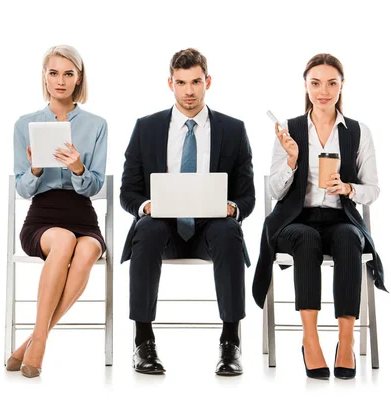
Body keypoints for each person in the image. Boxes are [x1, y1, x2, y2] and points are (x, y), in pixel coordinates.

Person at [120, 48, 255, 376]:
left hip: (211, 229)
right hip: (163, 228)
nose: (190, 91)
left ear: (207, 81)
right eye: (181, 83)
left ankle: (230, 341)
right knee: (146, 227)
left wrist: (232, 207)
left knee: (229, 229)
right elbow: (128, 191)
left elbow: (247, 195)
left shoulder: (233, 130)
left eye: (196, 82)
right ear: (171, 83)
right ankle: (143, 340)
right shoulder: (147, 128)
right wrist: (145, 206)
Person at [252, 53, 386, 380]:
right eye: (315, 83)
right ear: (305, 86)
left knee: (349, 238)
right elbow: (274, 191)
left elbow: (373, 189)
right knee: (307, 238)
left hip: (341, 217)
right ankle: (309, 338)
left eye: (331, 83)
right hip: (295, 220)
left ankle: (345, 339)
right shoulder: (289, 129)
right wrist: (292, 160)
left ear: (342, 86)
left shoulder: (357, 131)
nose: (323, 90)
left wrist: (348, 188)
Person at [7, 45, 108, 378]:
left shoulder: (96, 124)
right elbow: (22, 188)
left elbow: (94, 186)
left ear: (79, 78)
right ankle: (41, 345)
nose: (60, 81)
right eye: (54, 73)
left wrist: (78, 168)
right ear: (44, 77)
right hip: (43, 217)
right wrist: (35, 169)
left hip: (83, 214)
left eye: (68, 73)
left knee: (86, 251)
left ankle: (33, 341)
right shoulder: (26, 123)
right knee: (63, 241)